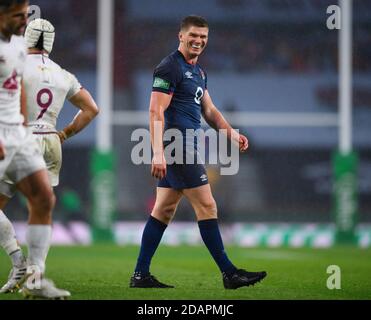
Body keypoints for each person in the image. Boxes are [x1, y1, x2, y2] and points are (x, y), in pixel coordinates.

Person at [130, 15, 267, 289]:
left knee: (164, 209)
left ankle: (140, 275)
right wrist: (157, 152)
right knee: (207, 205)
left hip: (185, 145)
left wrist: (232, 133)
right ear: (181, 36)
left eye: (203, 37)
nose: (198, 41)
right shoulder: (169, 67)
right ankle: (230, 273)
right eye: (193, 35)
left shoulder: (199, 72)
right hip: (177, 146)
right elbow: (155, 110)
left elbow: (210, 111)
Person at [0, 14, 98, 298]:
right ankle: (35, 276)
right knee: (40, 208)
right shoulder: (62, 74)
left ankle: (19, 261)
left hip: (20, 137)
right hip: (51, 140)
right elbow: (92, 109)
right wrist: (65, 133)